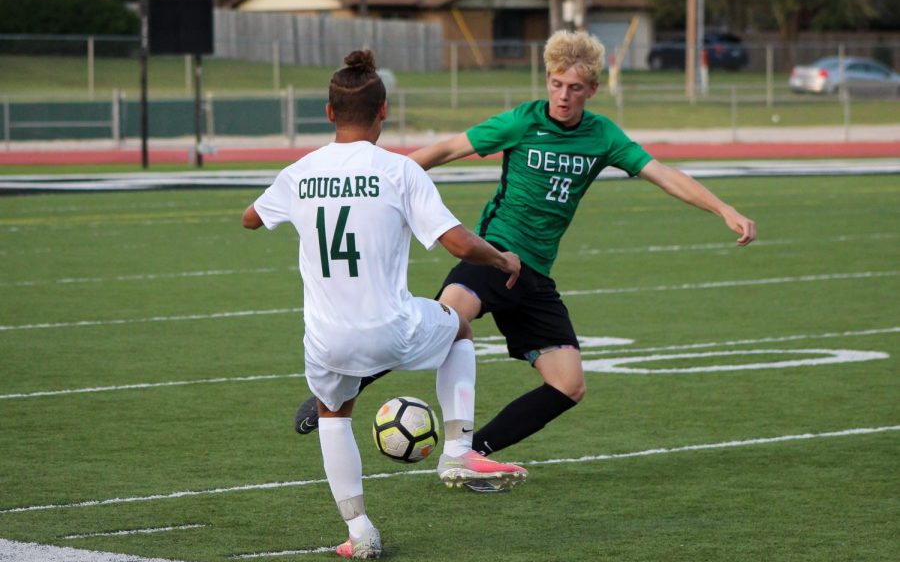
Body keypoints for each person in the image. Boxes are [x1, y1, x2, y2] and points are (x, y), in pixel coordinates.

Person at [294, 31, 757, 490]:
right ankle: (331, 396)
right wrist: (376, 179)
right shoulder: (522, 121)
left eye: (574, 87)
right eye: (556, 83)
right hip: (494, 254)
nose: (562, 95)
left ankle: (472, 453)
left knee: (568, 384)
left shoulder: (603, 136)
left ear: (592, 90)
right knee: (446, 321)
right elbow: (445, 150)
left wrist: (724, 208)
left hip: (535, 275)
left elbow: (663, 174)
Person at [243, 50, 527, 559]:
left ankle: (360, 532)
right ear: (384, 112)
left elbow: (250, 219)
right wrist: (502, 260)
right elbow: (459, 244)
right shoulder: (398, 171)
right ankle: (459, 450)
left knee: (333, 414)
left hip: (327, 338)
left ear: (329, 113)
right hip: (394, 326)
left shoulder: (299, 172)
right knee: (460, 327)